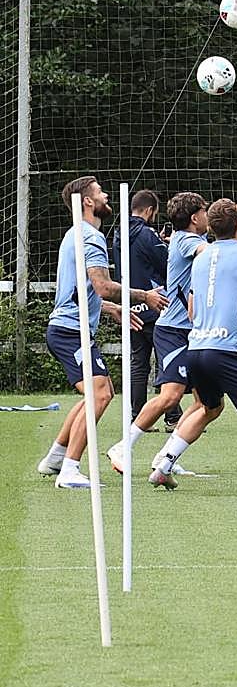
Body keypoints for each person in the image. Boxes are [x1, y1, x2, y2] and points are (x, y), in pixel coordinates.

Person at [105, 186, 237, 475]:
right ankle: (123, 446)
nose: (207, 216)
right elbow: (223, 251)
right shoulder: (186, 241)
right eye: (203, 210)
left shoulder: (195, 236)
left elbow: (222, 231)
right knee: (170, 396)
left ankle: (165, 458)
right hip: (173, 328)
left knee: (208, 406)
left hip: (196, 332)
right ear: (195, 217)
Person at [148, 199, 237, 496]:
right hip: (227, 350)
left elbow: (191, 310)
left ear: (211, 228)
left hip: (196, 347)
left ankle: (163, 466)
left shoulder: (200, 258)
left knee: (209, 408)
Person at [38, 176, 167, 489]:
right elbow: (103, 286)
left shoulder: (75, 234)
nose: (106, 196)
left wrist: (113, 311)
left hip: (68, 328)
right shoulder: (91, 237)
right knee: (101, 394)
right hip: (72, 331)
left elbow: (80, 291)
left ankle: (56, 458)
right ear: (86, 201)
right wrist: (144, 297)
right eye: (99, 192)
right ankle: (70, 470)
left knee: (97, 392)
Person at [109, 189, 170, 423]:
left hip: (130, 305)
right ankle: (172, 415)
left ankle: (138, 415)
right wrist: (164, 245)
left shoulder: (118, 234)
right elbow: (165, 265)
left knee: (138, 362)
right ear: (149, 210)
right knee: (166, 359)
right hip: (154, 304)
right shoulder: (147, 234)